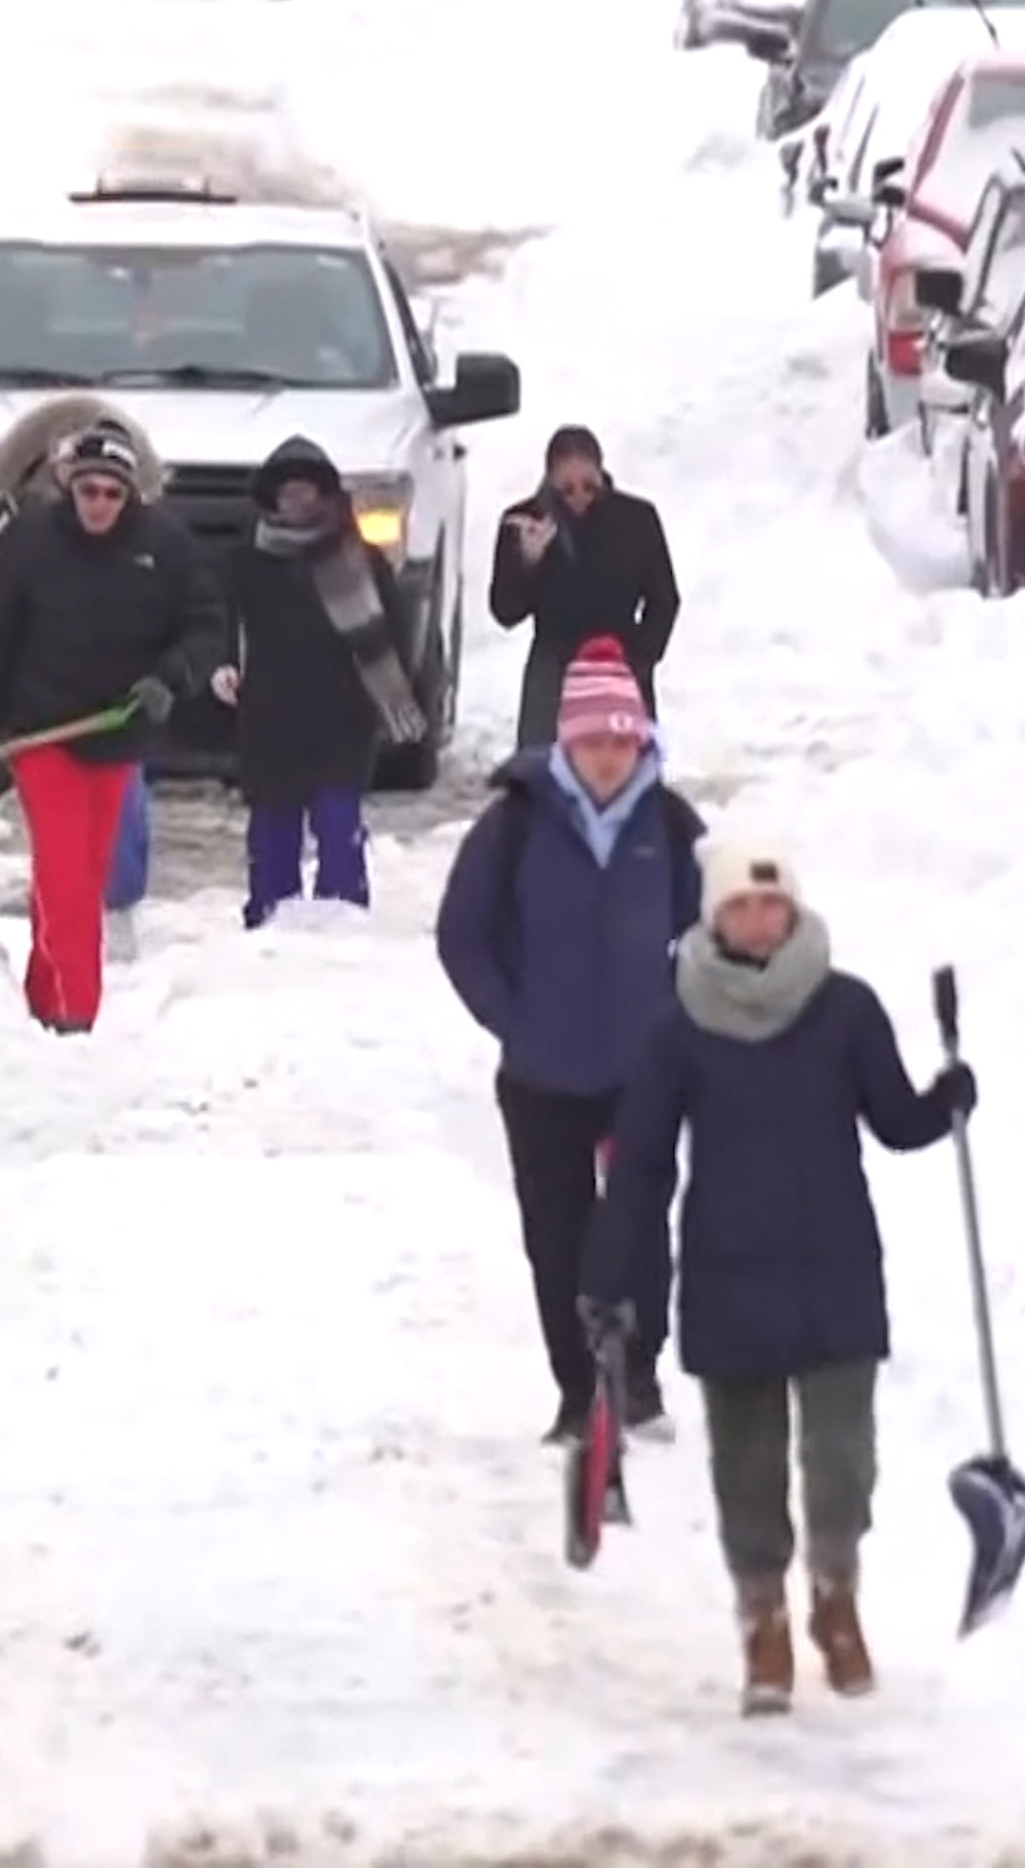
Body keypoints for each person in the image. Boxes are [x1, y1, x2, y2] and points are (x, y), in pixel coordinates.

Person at [580, 835, 978, 1716]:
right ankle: (762, 1616)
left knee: (844, 1456)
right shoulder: (679, 1023)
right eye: (741, 907)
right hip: (729, 1266)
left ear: (792, 910)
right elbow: (642, 1162)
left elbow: (895, 1119)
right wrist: (611, 1264)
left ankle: (835, 1597)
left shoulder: (844, 1008)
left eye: (773, 905)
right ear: (714, 918)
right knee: (747, 1465)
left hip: (833, 1259)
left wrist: (944, 1100)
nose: (760, 920)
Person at [435, 636, 705, 1443]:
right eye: (594, 741)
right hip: (541, 1075)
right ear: (567, 742)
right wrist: (510, 1016)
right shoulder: (514, 823)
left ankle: (641, 1379)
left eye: (623, 740)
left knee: (639, 1224)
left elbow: (714, 931)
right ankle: (578, 1390)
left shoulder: (669, 821)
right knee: (558, 1238)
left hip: (640, 1073)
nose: (610, 757)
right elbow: (462, 934)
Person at [0, 417, 223, 1033]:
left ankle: (44, 998)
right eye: (88, 490)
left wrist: (170, 676)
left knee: (83, 874)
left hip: (118, 733)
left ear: (129, 495)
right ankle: (79, 1017)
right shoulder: (26, 543)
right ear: (68, 487)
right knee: (65, 876)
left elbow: (207, 624)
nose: (98, 504)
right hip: (43, 734)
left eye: (112, 493)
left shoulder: (166, 547)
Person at [0, 391, 160, 957]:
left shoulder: (140, 551)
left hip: (112, 709)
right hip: (40, 710)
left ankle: (115, 909)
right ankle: (64, 925)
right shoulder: (11, 550)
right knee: (59, 832)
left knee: (120, 807)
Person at [210, 436, 425, 928]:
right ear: (272, 500)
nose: (299, 503)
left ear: (326, 496)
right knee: (273, 832)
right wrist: (222, 666)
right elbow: (219, 622)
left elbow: (393, 633)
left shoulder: (359, 558)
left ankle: (345, 921)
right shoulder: (246, 563)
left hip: (342, 720)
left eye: (308, 493)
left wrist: (388, 698)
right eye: (289, 494)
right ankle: (269, 920)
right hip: (270, 720)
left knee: (337, 824)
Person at [489, 425, 679, 746]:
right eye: (567, 489)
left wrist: (641, 659)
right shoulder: (524, 521)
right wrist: (528, 562)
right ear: (550, 482)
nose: (579, 497)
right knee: (545, 777)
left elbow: (664, 598)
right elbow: (505, 611)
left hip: (620, 659)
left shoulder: (636, 519)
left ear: (602, 476)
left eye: (589, 487)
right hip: (553, 665)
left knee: (626, 773)